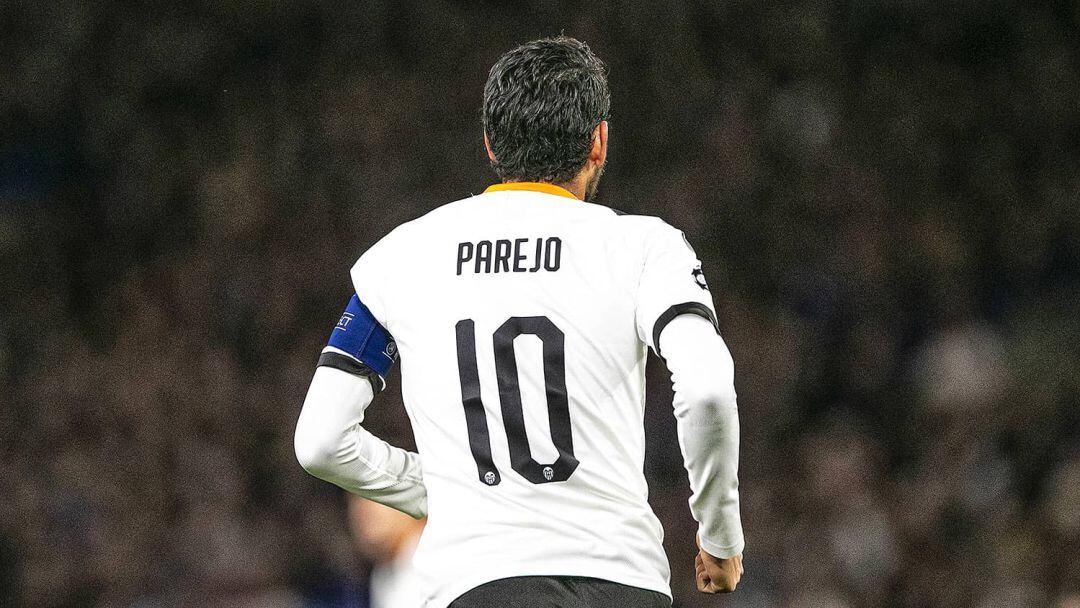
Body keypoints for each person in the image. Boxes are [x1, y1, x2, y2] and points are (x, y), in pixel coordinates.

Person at [294, 36, 744, 608]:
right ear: (599, 141)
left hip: (476, 583)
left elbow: (319, 441)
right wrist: (720, 536)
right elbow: (707, 390)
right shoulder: (645, 247)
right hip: (622, 582)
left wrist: (451, 492)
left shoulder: (402, 256)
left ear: (489, 144)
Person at [346, 495, 425, 608]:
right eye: (355, 497)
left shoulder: (443, 560)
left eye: (377, 493)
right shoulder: (382, 575)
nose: (364, 508)